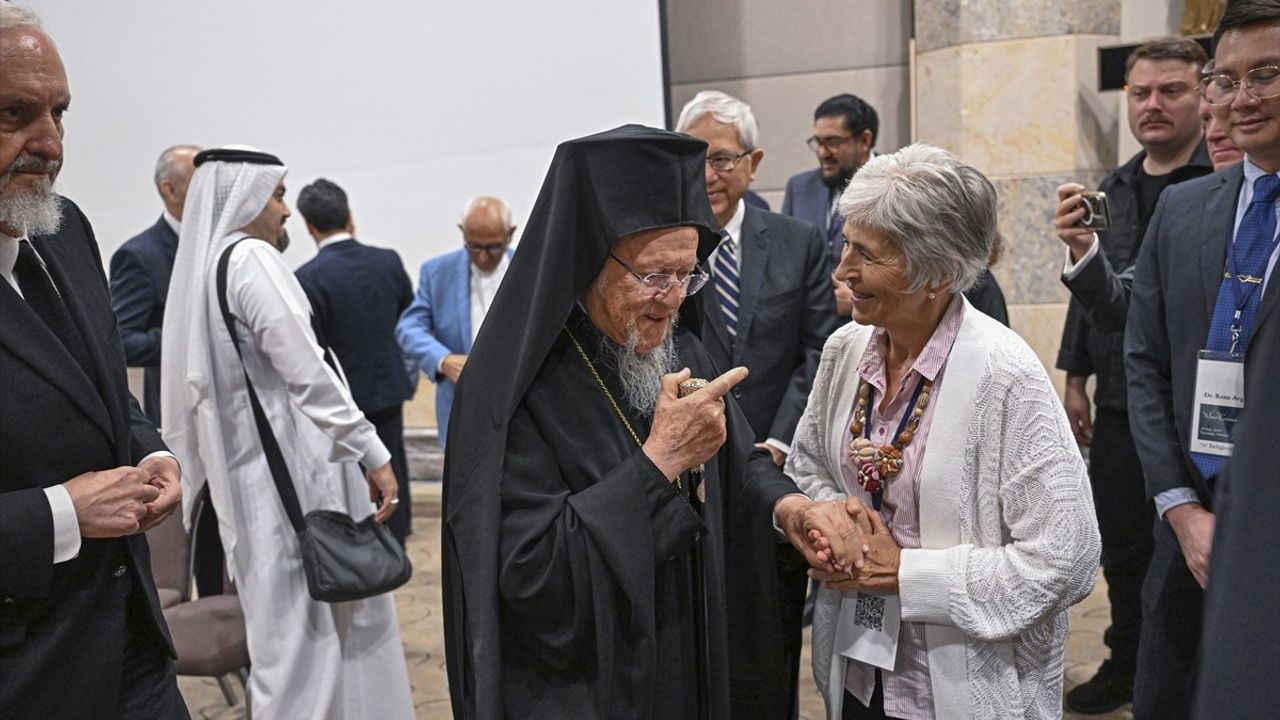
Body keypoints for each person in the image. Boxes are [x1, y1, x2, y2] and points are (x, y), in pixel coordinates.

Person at [441, 124, 817, 720]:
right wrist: (659, 463)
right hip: (592, 689)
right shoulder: (514, 389)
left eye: (687, 274)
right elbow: (527, 575)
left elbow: (736, 465)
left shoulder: (678, 345)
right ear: (588, 258)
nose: (671, 299)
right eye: (652, 276)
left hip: (689, 659)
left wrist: (791, 511)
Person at [775, 144, 1101, 719]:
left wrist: (906, 573)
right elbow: (809, 466)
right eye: (846, 243)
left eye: (867, 255)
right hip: (857, 672)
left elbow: (1066, 559)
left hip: (958, 694)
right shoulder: (844, 350)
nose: (842, 270)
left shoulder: (1006, 376)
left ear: (939, 273)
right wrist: (834, 523)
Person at [161, 146, 413, 719]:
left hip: (260, 491)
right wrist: (372, 452)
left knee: (302, 638)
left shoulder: (214, 266)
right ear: (246, 197)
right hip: (292, 492)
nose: (284, 211)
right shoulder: (250, 259)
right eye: (277, 196)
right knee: (306, 648)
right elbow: (310, 375)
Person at [0, 5, 186, 716]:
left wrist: (152, 452)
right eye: (14, 113)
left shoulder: (63, 228)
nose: (48, 143)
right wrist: (60, 514)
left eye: (59, 113)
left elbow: (105, 388)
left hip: (131, 648)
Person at [1126, 3, 1280, 718]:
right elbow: (1145, 364)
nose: (1241, 99)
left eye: (1267, 75)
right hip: (1187, 526)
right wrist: (1181, 509)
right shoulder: (1183, 211)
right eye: (1226, 80)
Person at [1052, 36, 1212, 714]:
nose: (1152, 105)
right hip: (1118, 399)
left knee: (1184, 551)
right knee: (1121, 544)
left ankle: (1193, 668)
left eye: (1170, 91)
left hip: (1194, 403)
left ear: (1203, 96)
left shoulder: (1219, 176)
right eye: (1140, 92)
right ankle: (1127, 660)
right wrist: (1074, 375)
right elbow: (1095, 296)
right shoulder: (1111, 187)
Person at [295, 178, 416, 543]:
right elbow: (406, 316)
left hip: (345, 397)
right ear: (350, 215)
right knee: (393, 458)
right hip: (390, 385)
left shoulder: (306, 278)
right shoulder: (388, 260)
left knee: (353, 476)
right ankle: (399, 533)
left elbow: (312, 344)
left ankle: (364, 541)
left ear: (309, 226)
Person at [397, 196, 514, 447]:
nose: (483, 257)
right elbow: (409, 327)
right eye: (473, 246)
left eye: (493, 247)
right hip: (461, 412)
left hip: (518, 409)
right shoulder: (436, 272)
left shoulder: (532, 269)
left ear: (510, 235)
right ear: (462, 234)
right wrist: (442, 359)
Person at [109, 144, 201, 425]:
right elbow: (121, 341)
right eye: (201, 185)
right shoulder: (139, 255)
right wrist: (192, 338)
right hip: (181, 415)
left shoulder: (219, 244)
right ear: (170, 190)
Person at [782, 93, 879, 273]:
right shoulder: (799, 188)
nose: (822, 152)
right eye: (818, 142)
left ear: (865, 140)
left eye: (832, 142)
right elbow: (786, 260)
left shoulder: (895, 187)